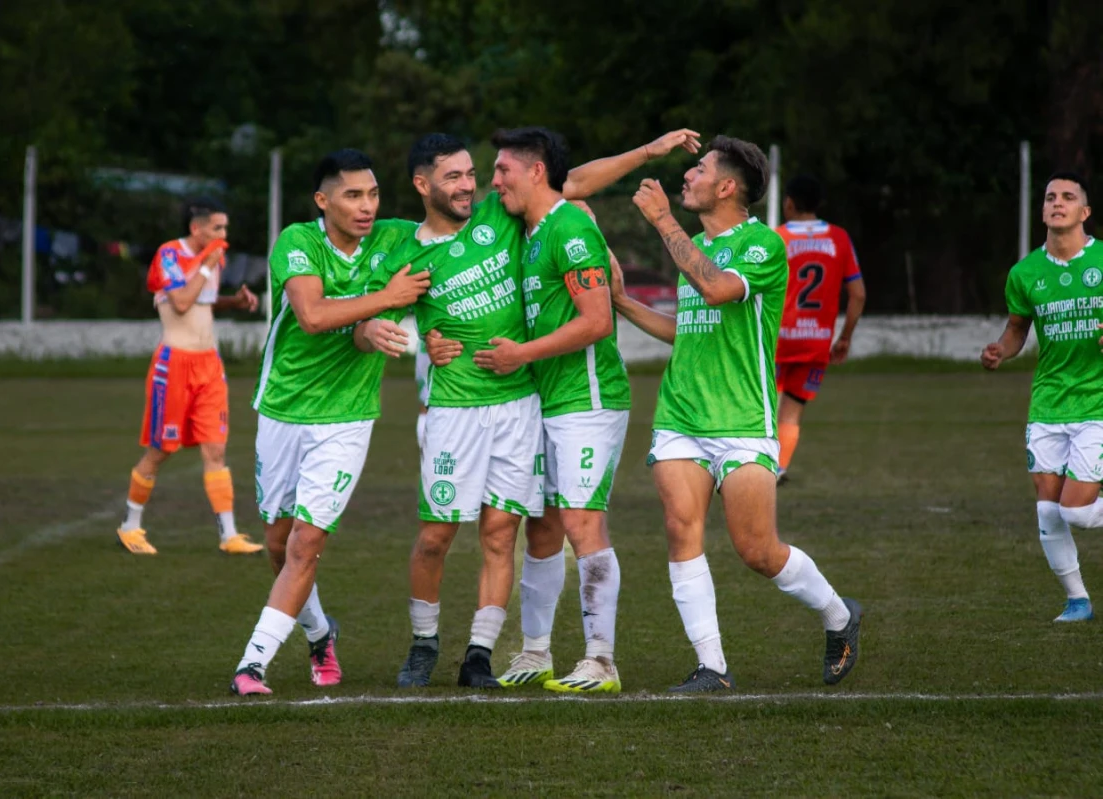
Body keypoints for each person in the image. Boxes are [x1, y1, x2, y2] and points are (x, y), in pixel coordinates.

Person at [362, 129, 699, 689]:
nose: (476, 185)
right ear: (422, 185)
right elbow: (374, 313)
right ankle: (455, 645)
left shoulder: (516, 218)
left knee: (515, 532)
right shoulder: (411, 247)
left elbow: (575, 185)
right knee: (463, 533)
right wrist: (416, 337)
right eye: (458, 176)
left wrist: (647, 152)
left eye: (482, 173)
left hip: (536, 402)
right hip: (472, 407)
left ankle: (518, 655)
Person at [615, 135, 862, 691]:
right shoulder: (698, 247)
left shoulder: (763, 245)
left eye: (698, 169)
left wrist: (663, 223)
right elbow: (689, 331)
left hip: (743, 421)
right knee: (682, 531)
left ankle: (840, 617)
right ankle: (713, 667)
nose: (686, 177)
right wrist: (622, 301)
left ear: (727, 186)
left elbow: (718, 290)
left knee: (758, 551)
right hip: (680, 416)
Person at [229, 150, 432, 695]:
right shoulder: (299, 242)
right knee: (277, 542)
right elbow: (313, 317)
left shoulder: (396, 238)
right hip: (282, 409)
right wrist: (386, 301)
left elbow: (464, 231)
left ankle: (253, 664)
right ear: (323, 200)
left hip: (347, 419)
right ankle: (320, 633)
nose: (367, 207)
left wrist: (378, 328)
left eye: (373, 194)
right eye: (352, 195)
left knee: (306, 542)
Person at [471, 128, 637, 694]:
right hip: (544, 401)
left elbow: (597, 320)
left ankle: (601, 660)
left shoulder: (569, 227)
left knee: (581, 522)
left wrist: (521, 354)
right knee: (539, 526)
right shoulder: (535, 230)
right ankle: (536, 651)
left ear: (535, 171)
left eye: (502, 171)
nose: (495, 183)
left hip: (587, 400)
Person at [981, 171, 1101, 623]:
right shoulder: (1025, 273)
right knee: (1048, 510)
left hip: (1097, 402)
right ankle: (1077, 600)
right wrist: (1000, 351)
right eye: (1051, 196)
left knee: (1078, 511)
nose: (1057, 202)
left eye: (1068, 197)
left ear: (1084, 212)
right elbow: (1016, 331)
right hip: (1049, 401)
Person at [117, 198, 263, 556]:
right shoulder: (170, 255)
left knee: (216, 448)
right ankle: (130, 526)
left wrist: (235, 302)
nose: (224, 236)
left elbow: (203, 303)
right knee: (161, 450)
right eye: (218, 228)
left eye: (226, 228)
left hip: (209, 365)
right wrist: (206, 266)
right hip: (175, 365)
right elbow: (181, 302)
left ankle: (229, 535)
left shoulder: (211, 260)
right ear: (196, 228)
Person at [774, 175, 866, 483]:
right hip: (816, 342)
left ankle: (752, 467)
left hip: (776, 339)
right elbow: (859, 294)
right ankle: (779, 469)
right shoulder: (839, 238)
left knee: (761, 405)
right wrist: (845, 337)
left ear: (788, 202)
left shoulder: (778, 238)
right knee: (792, 409)